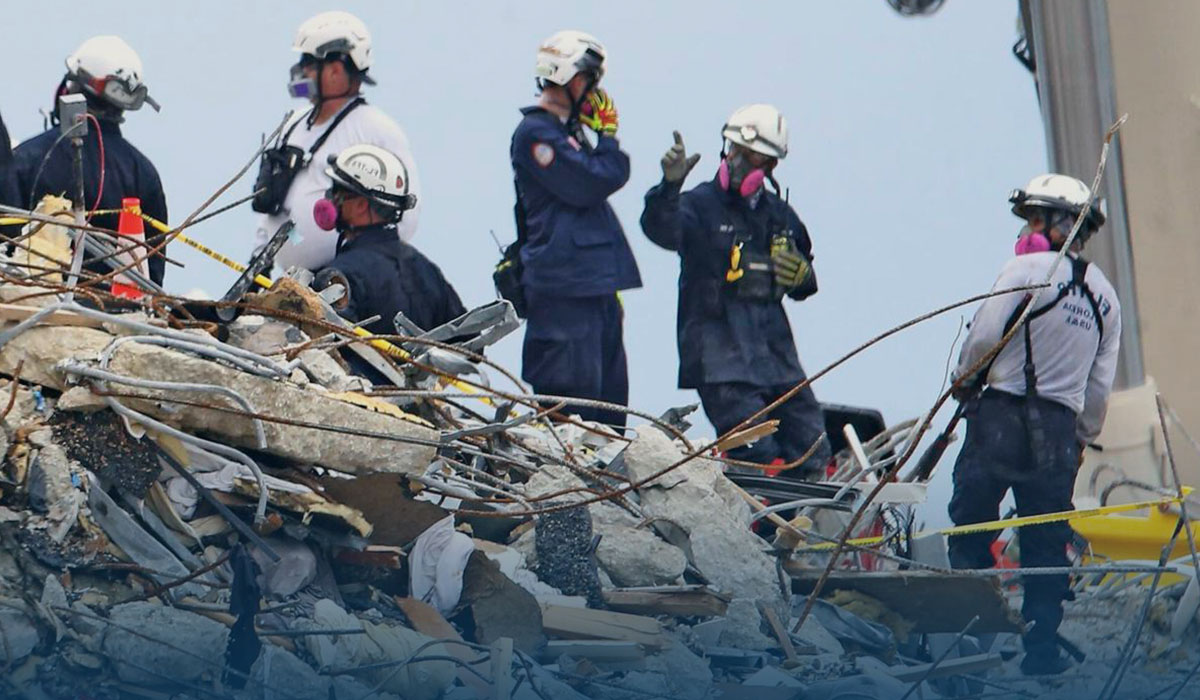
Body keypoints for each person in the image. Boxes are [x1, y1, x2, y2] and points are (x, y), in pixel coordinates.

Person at [947, 173, 1120, 675]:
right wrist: (1083, 438)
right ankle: (1042, 649)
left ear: (1065, 224)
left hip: (1001, 415)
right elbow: (1099, 388)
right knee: (1046, 542)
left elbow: (982, 339)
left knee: (973, 523)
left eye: (1036, 218)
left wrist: (964, 380)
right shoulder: (1105, 297)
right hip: (1060, 433)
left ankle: (974, 639)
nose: (1028, 229)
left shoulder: (1024, 269)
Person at [639, 105, 832, 474]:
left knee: (813, 446)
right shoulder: (697, 206)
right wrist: (668, 189)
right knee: (755, 452)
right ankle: (756, 525)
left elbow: (805, 284)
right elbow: (660, 230)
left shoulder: (781, 216)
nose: (742, 162)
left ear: (772, 166)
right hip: (719, 359)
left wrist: (803, 277)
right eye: (738, 152)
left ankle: (800, 524)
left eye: (758, 158)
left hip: (777, 358)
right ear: (726, 149)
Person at [509, 30, 641, 428]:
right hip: (563, 292)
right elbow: (593, 181)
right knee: (573, 410)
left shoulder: (569, 134)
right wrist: (609, 138)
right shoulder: (536, 134)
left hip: (593, 289)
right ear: (571, 79)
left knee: (610, 409)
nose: (597, 93)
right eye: (591, 82)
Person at [252, 10, 420, 273]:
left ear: (335, 69)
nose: (301, 72)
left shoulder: (376, 129)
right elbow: (273, 207)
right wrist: (258, 260)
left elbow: (407, 215)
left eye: (308, 63)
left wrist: (364, 270)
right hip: (293, 283)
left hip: (347, 284)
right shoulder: (292, 124)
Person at [0, 35, 169, 284]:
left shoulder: (29, 159)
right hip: (122, 316)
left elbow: (8, 244)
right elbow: (152, 278)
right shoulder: (143, 173)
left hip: (37, 310)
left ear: (73, 87)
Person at [312, 143, 463, 336]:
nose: (330, 199)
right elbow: (465, 341)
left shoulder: (341, 275)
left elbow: (331, 343)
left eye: (338, 192)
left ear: (360, 205)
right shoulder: (428, 271)